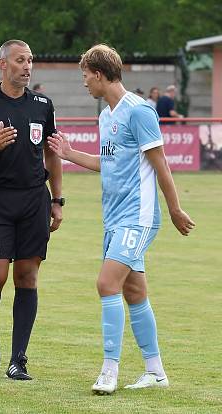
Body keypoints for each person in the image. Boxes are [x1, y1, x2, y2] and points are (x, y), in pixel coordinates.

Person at [47, 44, 195, 395]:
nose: (84, 82)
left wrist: (174, 209)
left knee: (105, 283)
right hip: (114, 219)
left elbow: (161, 163)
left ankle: (109, 370)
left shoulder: (140, 111)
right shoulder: (106, 116)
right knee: (133, 291)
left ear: (98, 74)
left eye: (85, 75)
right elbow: (107, 162)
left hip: (138, 217)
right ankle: (155, 371)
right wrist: (68, 154)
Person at [0, 39, 63, 380]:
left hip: (34, 199)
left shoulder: (43, 105)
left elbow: (52, 153)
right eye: (20, 60)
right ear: (3, 64)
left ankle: (19, 359)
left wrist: (57, 199)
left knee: (27, 277)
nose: (27, 66)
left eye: (31, 60)